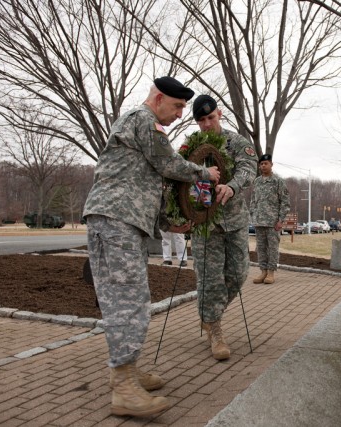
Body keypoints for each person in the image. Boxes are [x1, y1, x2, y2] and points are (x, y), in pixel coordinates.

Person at [83, 77, 220, 418]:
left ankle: (127, 372)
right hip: (114, 222)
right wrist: (205, 174)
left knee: (132, 299)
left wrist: (169, 224)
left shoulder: (143, 128)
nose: (178, 115)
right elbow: (169, 165)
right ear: (158, 98)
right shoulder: (143, 121)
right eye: (176, 107)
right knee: (127, 302)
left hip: (122, 222)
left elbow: (149, 181)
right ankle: (123, 386)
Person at [191, 94, 257, 360]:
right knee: (209, 278)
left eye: (210, 117)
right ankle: (214, 330)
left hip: (234, 221)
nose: (207, 124)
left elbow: (248, 169)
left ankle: (208, 314)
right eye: (201, 120)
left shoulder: (237, 142)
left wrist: (231, 186)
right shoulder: (191, 148)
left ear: (219, 115)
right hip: (205, 225)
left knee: (239, 273)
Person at [251, 154, 290, 284]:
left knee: (272, 248)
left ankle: (271, 273)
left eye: (265, 163)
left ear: (271, 165)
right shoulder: (257, 181)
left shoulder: (278, 181)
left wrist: (280, 220)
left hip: (272, 222)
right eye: (261, 164)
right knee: (261, 248)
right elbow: (253, 200)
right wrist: (253, 214)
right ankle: (263, 272)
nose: (263, 166)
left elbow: (285, 202)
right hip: (259, 221)